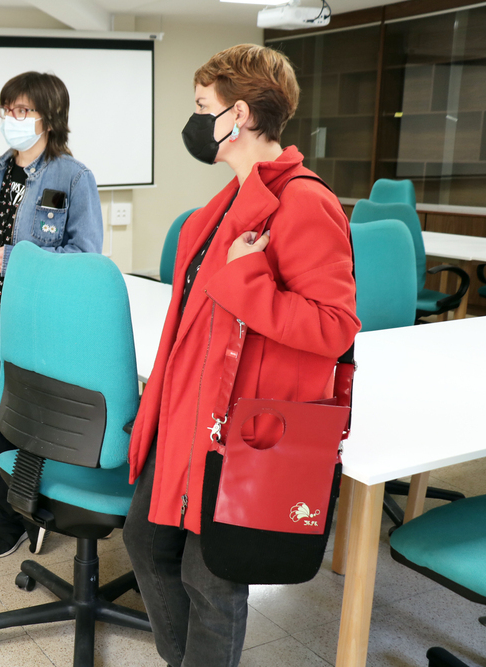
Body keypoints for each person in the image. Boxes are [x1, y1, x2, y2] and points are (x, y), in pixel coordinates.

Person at [121, 44, 360, 667]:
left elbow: (335, 327)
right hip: (186, 412)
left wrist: (249, 284)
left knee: (212, 579)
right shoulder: (224, 200)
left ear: (242, 114)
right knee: (145, 542)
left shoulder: (306, 202)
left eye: (205, 107)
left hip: (236, 427)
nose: (196, 121)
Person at [0, 72, 104, 559]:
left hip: (41, 320)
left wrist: (15, 260)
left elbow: (85, 255)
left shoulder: (73, 177)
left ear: (49, 117)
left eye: (22, 111)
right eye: (6, 110)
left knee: (22, 420)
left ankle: (12, 512)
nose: (12, 120)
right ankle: (18, 506)